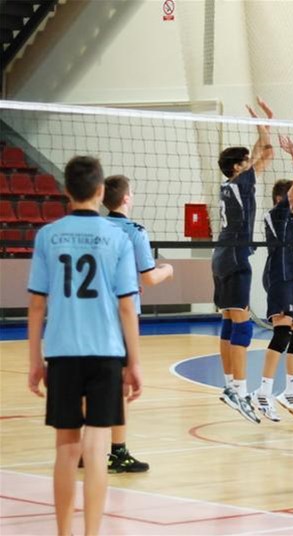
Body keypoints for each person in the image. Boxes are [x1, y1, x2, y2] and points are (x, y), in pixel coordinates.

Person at [27, 155, 142, 536]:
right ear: (100, 190)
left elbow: (37, 305)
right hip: (106, 352)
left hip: (62, 352)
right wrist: (134, 363)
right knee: (96, 448)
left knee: (66, 449)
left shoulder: (48, 235)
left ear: (66, 191)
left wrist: (35, 361)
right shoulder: (118, 237)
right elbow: (127, 306)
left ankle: (64, 533)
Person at [103, 174, 173, 473]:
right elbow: (149, 277)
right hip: (123, 313)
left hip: (95, 310)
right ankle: (118, 452)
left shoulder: (96, 229)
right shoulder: (135, 232)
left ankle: (84, 448)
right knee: (120, 382)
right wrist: (167, 269)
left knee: (89, 379)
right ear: (126, 198)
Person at [212, 97, 275, 424]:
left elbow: (262, 152)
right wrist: (264, 126)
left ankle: (228, 387)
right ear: (238, 167)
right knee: (242, 324)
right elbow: (268, 152)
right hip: (236, 256)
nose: (252, 163)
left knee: (228, 319)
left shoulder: (230, 185)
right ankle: (239, 390)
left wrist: (263, 126)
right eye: (246, 161)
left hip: (221, 256)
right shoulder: (242, 182)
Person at [252, 130, 293, 422]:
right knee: (282, 332)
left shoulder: (292, 216)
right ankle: (263, 392)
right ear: (281, 198)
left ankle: (290, 392)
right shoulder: (277, 214)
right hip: (279, 277)